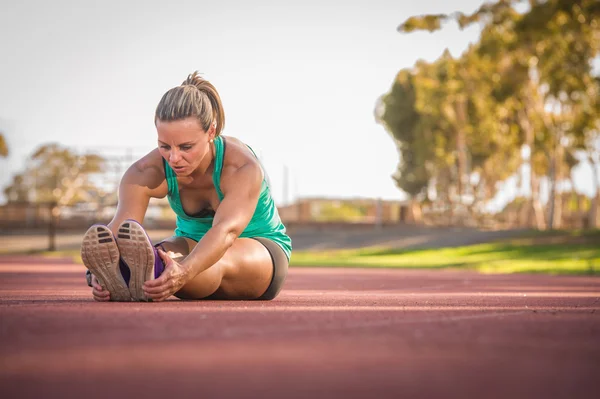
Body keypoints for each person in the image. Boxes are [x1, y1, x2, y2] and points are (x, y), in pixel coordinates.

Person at [80, 71, 292, 302]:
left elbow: (225, 233)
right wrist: (100, 272)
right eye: (164, 146)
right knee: (156, 255)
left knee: (213, 259)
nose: (173, 158)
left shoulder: (241, 168)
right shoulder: (145, 171)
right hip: (190, 243)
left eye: (186, 147)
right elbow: (120, 227)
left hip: (258, 251)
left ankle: (154, 274)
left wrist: (184, 271)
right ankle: (141, 273)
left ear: (211, 131)